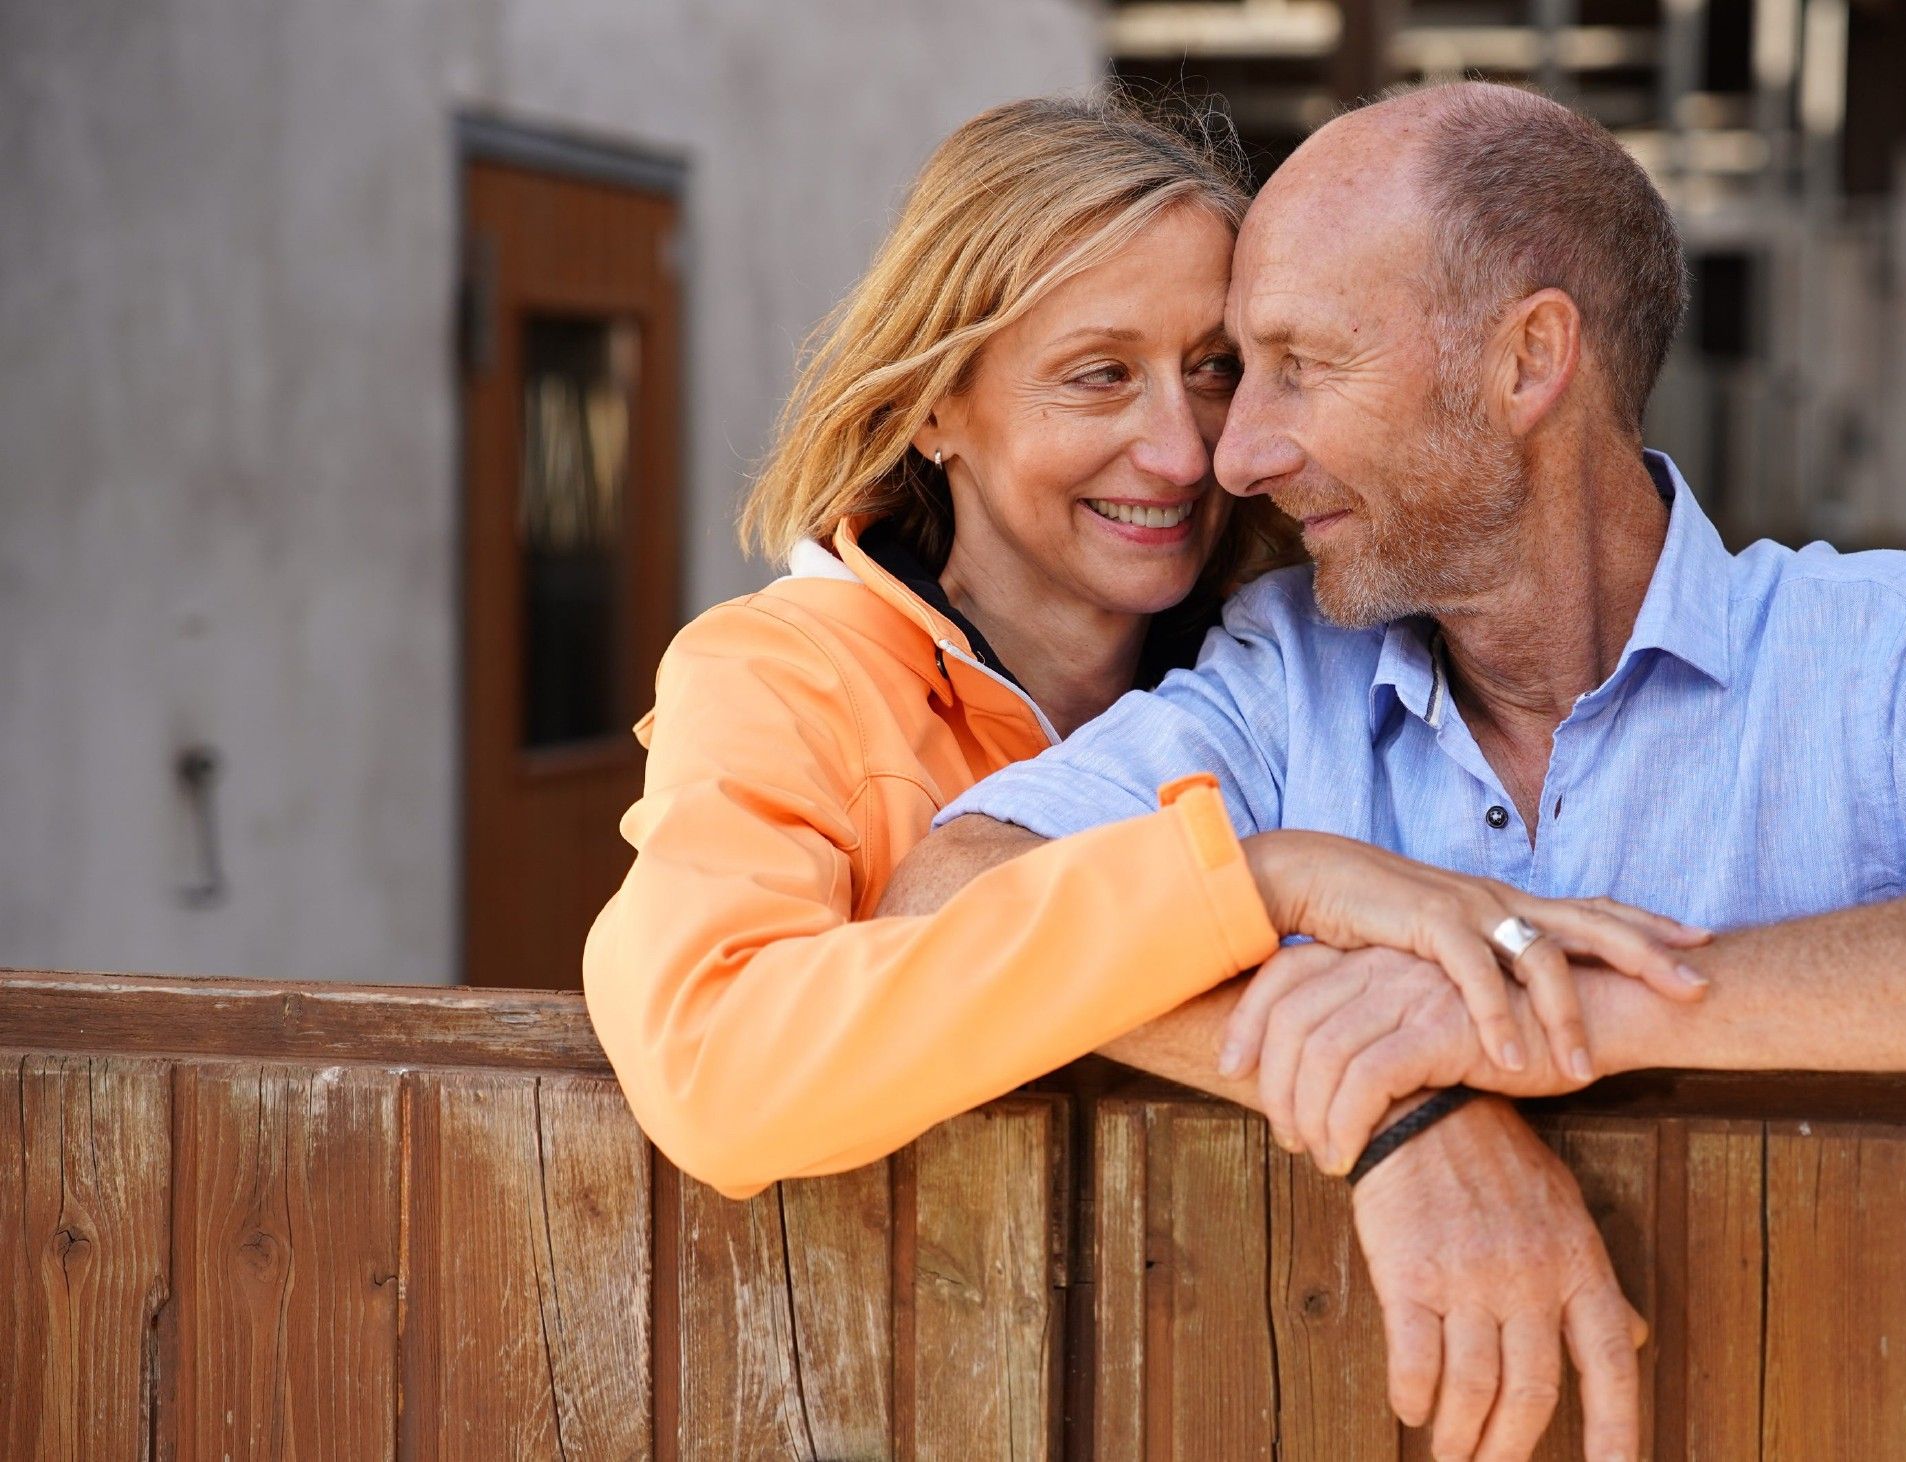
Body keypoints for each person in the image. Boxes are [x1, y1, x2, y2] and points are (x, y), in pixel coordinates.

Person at [884, 81, 1906, 1462]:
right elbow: (943, 894)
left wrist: (1565, 1013)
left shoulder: (1882, 646)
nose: (1234, 454)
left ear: (1525, 360)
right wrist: (1400, 1099)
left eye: (1300, 366)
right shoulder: (1278, 671)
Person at [582, 91, 1707, 1240]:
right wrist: (1261, 885)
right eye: (1099, 375)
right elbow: (720, 1066)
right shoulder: (782, 679)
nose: (1184, 452)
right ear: (933, 405)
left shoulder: (1322, 664)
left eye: (1216, 369)